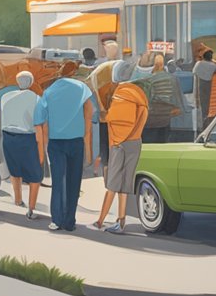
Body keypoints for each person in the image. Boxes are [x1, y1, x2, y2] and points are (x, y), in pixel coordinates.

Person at [36, 62, 97, 232]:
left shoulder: (49, 91)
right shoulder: (81, 88)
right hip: (76, 141)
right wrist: (89, 147)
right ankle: (70, 221)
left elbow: (40, 118)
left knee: (58, 182)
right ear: (74, 73)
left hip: (56, 142)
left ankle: (57, 220)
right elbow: (89, 115)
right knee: (73, 182)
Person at [93, 81, 148, 233]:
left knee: (112, 184)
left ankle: (100, 220)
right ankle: (121, 220)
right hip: (135, 142)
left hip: (119, 143)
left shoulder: (119, 97)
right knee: (124, 184)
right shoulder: (139, 98)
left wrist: (101, 103)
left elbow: (110, 118)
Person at [0, 72, 45, 220]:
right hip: (27, 138)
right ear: (31, 82)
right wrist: (42, 151)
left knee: (15, 171)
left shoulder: (6, 97)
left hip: (8, 137)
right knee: (35, 175)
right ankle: (31, 209)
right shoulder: (36, 99)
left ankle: (18, 200)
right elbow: (38, 126)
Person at [191, 48, 216, 118]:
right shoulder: (214, 65)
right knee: (207, 99)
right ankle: (206, 115)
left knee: (199, 99)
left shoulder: (199, 63)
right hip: (209, 83)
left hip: (199, 82)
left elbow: (194, 72)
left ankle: (201, 116)